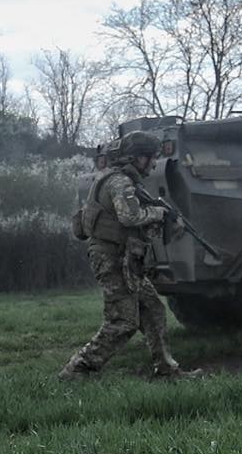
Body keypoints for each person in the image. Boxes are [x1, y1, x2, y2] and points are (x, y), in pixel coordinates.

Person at [61, 130, 195, 380]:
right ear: (137, 158)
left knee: (153, 309)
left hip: (126, 260)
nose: (154, 163)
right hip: (112, 259)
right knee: (122, 321)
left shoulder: (121, 180)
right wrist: (159, 214)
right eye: (150, 158)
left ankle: (166, 370)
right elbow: (129, 216)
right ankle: (78, 368)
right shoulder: (120, 182)